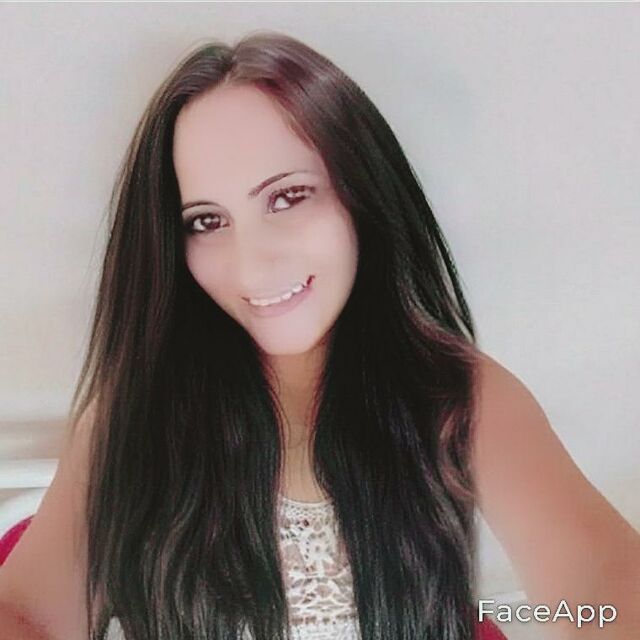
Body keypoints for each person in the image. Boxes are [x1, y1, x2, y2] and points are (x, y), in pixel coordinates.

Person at [0, 30, 638, 640]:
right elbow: (30, 614)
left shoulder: (455, 398)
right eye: (207, 221)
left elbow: (599, 585)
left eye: (287, 197)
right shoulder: (135, 411)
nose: (252, 264)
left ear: (361, 192)